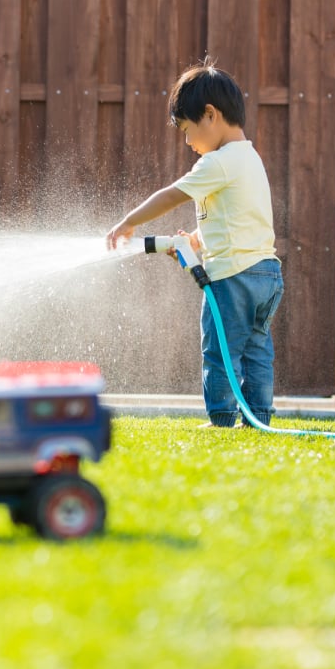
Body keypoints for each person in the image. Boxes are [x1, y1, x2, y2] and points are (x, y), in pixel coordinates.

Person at [106, 58, 283, 428]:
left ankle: (221, 418)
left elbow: (172, 196)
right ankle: (259, 417)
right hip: (265, 275)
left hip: (232, 277)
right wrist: (197, 241)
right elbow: (236, 221)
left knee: (219, 351)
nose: (187, 142)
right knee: (255, 350)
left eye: (187, 130)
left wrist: (128, 222)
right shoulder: (249, 159)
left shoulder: (218, 162)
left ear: (210, 115)